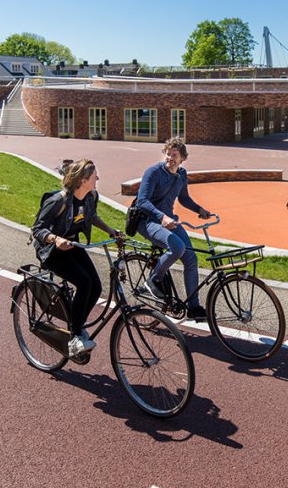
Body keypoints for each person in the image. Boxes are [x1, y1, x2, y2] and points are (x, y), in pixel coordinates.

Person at [31, 159, 122, 359]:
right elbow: (37, 229)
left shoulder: (90, 197)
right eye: (93, 176)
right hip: (51, 251)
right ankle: (76, 333)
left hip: (72, 245)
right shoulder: (59, 201)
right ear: (82, 180)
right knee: (84, 282)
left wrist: (110, 231)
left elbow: (91, 216)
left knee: (96, 287)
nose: (97, 178)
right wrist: (55, 239)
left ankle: (76, 324)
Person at [137, 138, 213, 322]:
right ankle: (153, 279)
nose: (170, 158)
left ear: (182, 159)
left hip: (169, 221)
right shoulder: (154, 172)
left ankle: (193, 307)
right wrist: (161, 216)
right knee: (177, 248)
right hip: (147, 220)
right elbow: (142, 201)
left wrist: (199, 210)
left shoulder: (182, 174)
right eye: (168, 154)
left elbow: (184, 198)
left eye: (174, 155)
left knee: (191, 257)